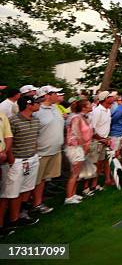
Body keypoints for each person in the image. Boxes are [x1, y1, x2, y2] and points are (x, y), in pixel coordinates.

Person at [1, 96, 41, 229]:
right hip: (18, 161)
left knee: (26, 188)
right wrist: (12, 161)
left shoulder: (36, 120)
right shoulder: (13, 121)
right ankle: (12, 220)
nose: (38, 105)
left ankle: (20, 215)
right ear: (29, 105)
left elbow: (35, 139)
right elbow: (9, 141)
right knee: (13, 191)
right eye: (36, 103)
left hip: (32, 159)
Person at [31, 86, 65, 215]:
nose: (57, 95)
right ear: (46, 95)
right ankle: (34, 205)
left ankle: (38, 202)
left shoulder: (55, 107)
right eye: (54, 93)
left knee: (44, 179)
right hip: (41, 152)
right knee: (36, 181)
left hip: (55, 150)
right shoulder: (37, 111)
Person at [64, 99, 93, 204]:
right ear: (84, 107)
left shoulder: (83, 117)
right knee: (74, 173)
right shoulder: (76, 118)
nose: (91, 106)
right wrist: (84, 146)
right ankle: (68, 197)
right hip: (75, 148)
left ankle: (73, 193)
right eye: (89, 104)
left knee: (77, 172)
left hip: (80, 147)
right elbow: (77, 133)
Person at [90, 91, 114, 189]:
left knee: (104, 162)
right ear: (105, 99)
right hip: (96, 141)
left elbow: (106, 126)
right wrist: (101, 139)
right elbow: (92, 129)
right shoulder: (97, 111)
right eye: (110, 97)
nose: (112, 98)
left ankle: (106, 180)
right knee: (96, 163)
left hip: (105, 140)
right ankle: (92, 185)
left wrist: (107, 138)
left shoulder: (108, 110)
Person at [0, 111, 14, 237]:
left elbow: (8, 136)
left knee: (3, 194)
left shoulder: (2, 115)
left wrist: (5, 152)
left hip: (2, 159)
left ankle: (1, 225)